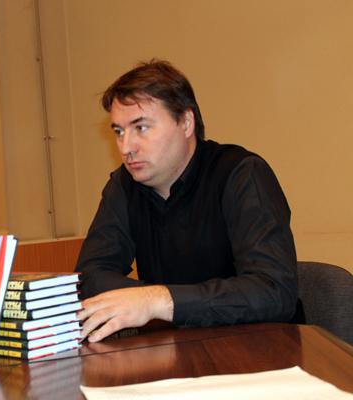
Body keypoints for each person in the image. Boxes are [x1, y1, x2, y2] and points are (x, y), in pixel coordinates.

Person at [76, 59, 298, 342]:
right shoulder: (123, 186)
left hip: (259, 350)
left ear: (186, 123)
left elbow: (274, 291)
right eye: (119, 132)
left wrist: (160, 301)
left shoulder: (242, 174)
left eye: (141, 128)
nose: (126, 147)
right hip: (171, 350)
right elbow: (89, 276)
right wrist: (149, 300)